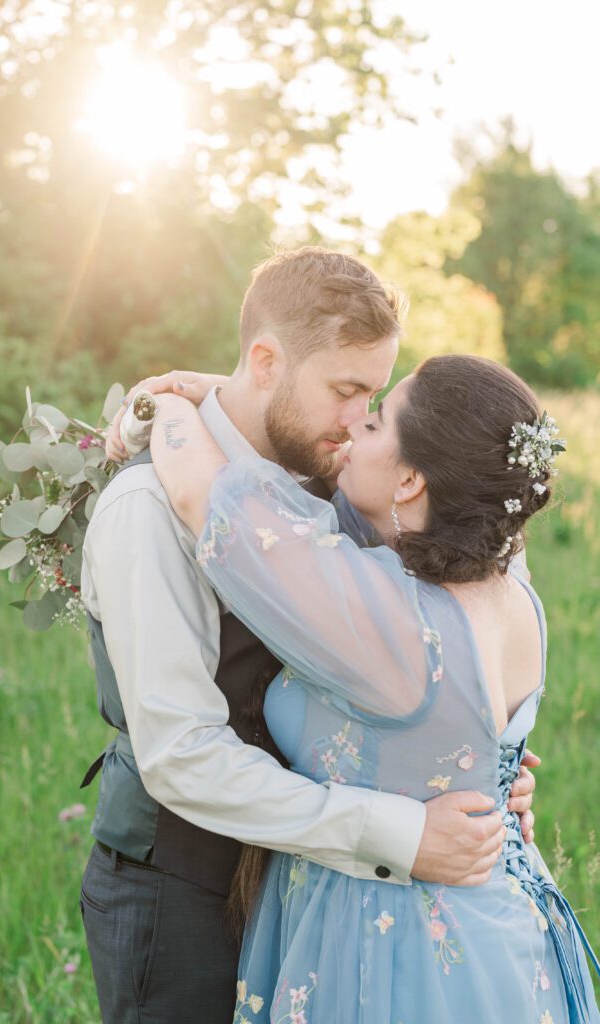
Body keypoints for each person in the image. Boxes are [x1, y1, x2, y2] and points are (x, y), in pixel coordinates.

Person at [81, 248, 537, 1024]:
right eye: (345, 390)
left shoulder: (353, 483)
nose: (361, 419)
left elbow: (450, 632)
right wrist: (402, 831)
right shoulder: (148, 511)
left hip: (331, 890)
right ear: (265, 361)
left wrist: (476, 776)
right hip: (183, 887)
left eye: (375, 395)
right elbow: (181, 756)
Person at [148, 351, 600, 1024]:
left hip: (390, 947)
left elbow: (200, 494)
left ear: (412, 478)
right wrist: (228, 389)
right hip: (505, 926)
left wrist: (165, 403)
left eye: (376, 420)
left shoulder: (388, 621)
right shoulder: (512, 586)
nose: (353, 424)